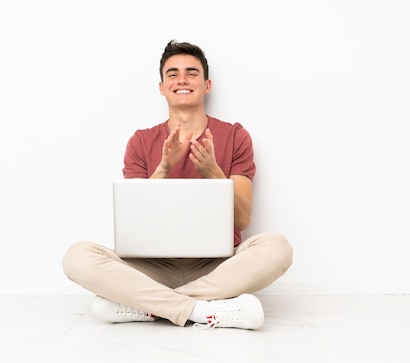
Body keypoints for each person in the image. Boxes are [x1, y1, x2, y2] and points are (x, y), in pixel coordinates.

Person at [62, 40, 293, 330]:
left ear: (206, 85)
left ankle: (148, 306)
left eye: (191, 73)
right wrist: (163, 168)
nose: (182, 79)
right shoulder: (141, 141)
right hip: (153, 267)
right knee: (77, 256)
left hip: (217, 265)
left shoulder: (235, 136)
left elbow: (243, 218)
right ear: (162, 87)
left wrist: (213, 173)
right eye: (172, 74)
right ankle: (202, 310)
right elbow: (136, 223)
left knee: (277, 248)